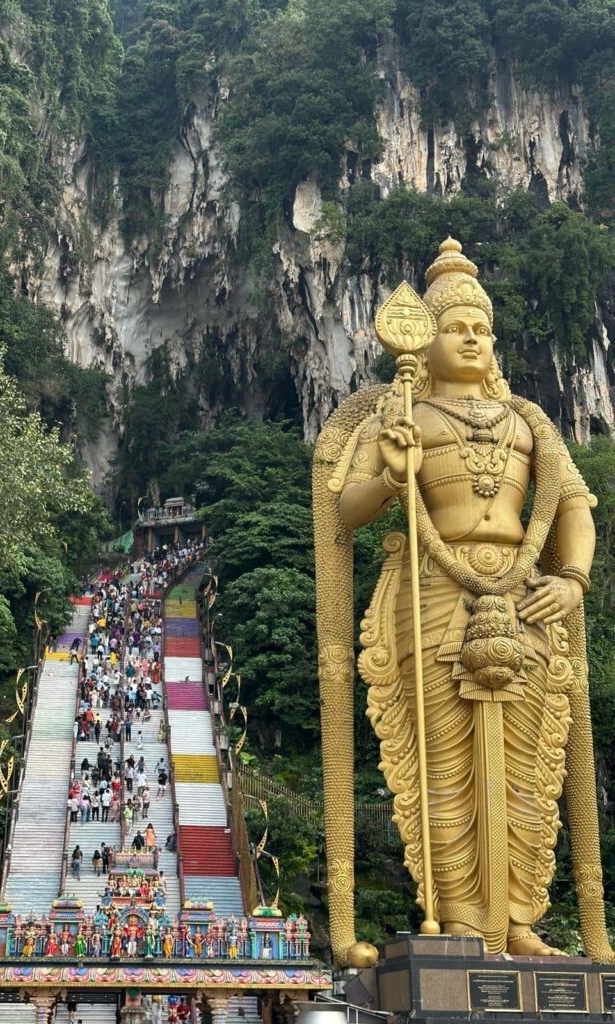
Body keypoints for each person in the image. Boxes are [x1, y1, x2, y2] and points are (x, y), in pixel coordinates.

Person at [316, 236, 611, 964]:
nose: (473, 338)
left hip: (523, 600)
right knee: (440, 766)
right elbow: (342, 511)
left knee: (527, 768)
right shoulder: (398, 414)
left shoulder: (528, 421)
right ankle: (456, 919)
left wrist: (569, 577)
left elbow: (573, 504)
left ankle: (515, 921)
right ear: (426, 338)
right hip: (432, 592)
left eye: (482, 328)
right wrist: (391, 474)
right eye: (457, 327)